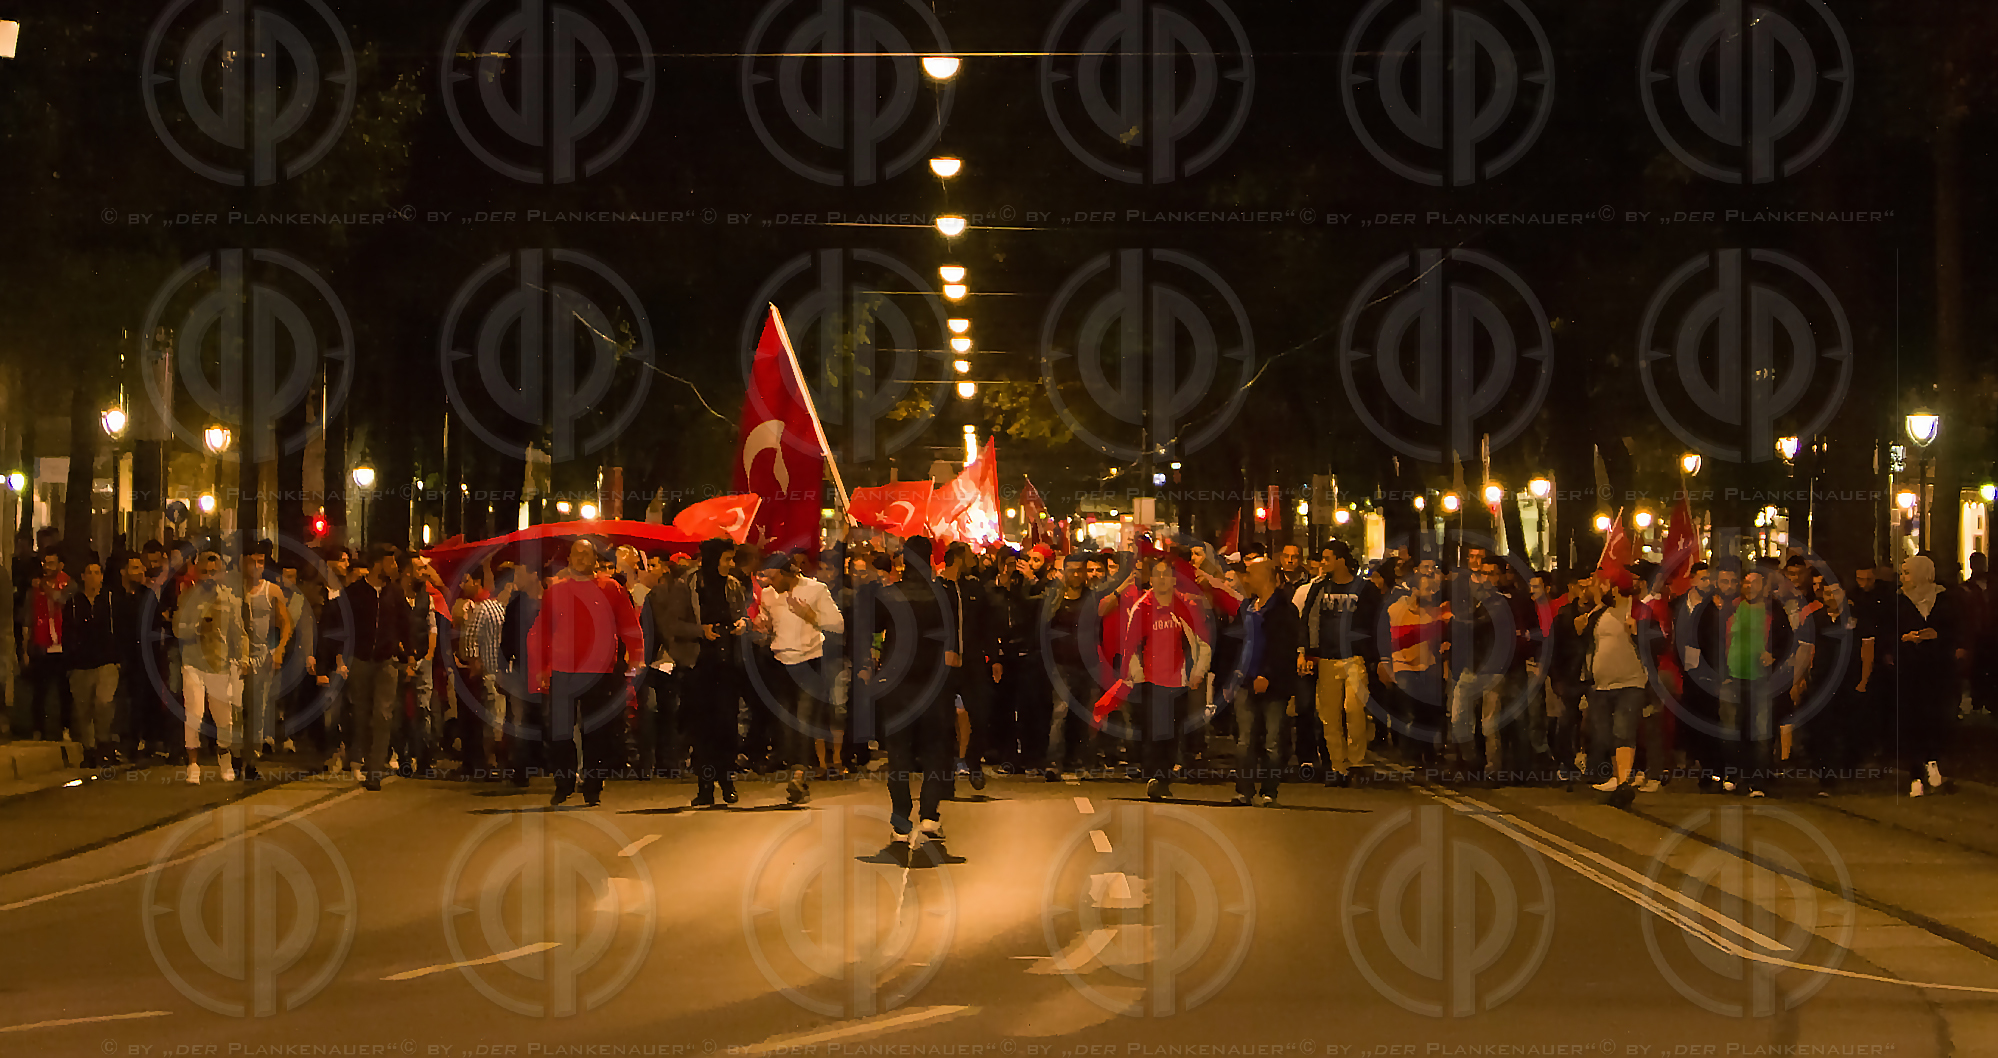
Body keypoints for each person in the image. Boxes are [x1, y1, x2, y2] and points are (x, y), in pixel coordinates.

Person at [528, 538, 643, 807]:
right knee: (560, 730)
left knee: (596, 731)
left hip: (600, 670)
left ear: (594, 559)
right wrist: (542, 667)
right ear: (569, 560)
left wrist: (635, 657)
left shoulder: (611, 588)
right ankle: (564, 782)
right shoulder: (555, 591)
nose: (581, 559)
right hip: (562, 669)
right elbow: (543, 631)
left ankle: (593, 785)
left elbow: (629, 625)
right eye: (576, 554)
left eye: (586, 554)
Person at [868, 536, 957, 844]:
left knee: (898, 754)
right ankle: (930, 816)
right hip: (933, 683)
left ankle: (901, 817)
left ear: (903, 561)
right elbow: (953, 641)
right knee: (935, 751)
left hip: (896, 684)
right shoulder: (944, 595)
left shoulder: (888, 595)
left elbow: (871, 632)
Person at [753, 551, 845, 805]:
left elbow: (837, 624)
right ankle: (797, 769)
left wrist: (810, 616)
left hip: (809, 662)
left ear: (786, 574)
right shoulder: (769, 594)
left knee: (804, 720)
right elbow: (768, 622)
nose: (768, 583)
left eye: (772, 577)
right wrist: (762, 625)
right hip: (780, 662)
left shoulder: (816, 590)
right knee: (785, 722)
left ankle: (799, 775)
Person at [1122, 556, 1213, 801]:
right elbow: (1130, 644)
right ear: (1151, 579)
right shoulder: (1143, 607)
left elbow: (1203, 642)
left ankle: (1163, 779)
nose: (1162, 579)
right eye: (1157, 574)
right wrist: (1136, 675)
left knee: (1172, 732)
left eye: (1166, 574)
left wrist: (1197, 672)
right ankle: (1154, 775)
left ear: (1174, 579)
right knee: (1154, 731)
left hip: (1179, 681)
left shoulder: (1184, 606)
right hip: (1151, 681)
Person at [1296, 540, 1380, 787]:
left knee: (1354, 710)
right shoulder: (1320, 588)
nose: (1323, 563)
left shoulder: (1364, 589)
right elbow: (1307, 619)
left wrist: (1376, 657)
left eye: (1327, 558)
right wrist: (1305, 651)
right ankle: (1337, 766)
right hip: (1327, 658)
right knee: (1329, 716)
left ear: (1341, 560)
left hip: (1355, 657)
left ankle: (1356, 762)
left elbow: (1377, 622)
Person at [672, 537, 748, 807]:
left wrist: (741, 624)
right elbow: (674, 625)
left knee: (727, 725)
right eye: (727, 559)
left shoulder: (733, 585)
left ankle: (726, 781)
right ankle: (704, 785)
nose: (731, 564)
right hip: (699, 666)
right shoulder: (687, 585)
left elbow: (743, 613)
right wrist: (700, 631)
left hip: (727, 665)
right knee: (701, 727)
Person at [1579, 567, 1664, 798]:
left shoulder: (1641, 613)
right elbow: (1587, 645)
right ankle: (1617, 777)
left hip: (1631, 683)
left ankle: (1623, 782)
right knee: (1605, 734)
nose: (1602, 589)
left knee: (1623, 731)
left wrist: (1638, 633)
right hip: (1601, 685)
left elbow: (1661, 644)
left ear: (1616, 589)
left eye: (1606, 585)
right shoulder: (1599, 614)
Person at [1795, 571, 1873, 794]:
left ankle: (1849, 766)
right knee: (1822, 729)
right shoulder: (1815, 619)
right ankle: (1825, 775)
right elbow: (1805, 650)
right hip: (1822, 681)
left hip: (1849, 681)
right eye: (1827, 592)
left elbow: (1867, 649)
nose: (1830, 596)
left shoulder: (1856, 618)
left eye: (1835, 592)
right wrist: (1799, 679)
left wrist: (1864, 679)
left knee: (1849, 727)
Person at [175, 546, 248, 784]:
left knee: (223, 717)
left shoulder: (230, 599)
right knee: (194, 713)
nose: (209, 576)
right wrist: (195, 627)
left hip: (219, 663)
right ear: (197, 573)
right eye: (204, 571)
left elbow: (240, 633)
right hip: (193, 663)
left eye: (213, 571)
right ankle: (193, 765)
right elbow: (177, 629)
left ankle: (224, 758)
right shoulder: (187, 597)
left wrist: (244, 658)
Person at [1720, 564, 1794, 797]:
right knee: (1732, 728)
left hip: (1762, 679)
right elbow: (1720, 639)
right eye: (1746, 582)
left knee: (1761, 731)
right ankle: (1734, 774)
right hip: (1734, 677)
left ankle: (1758, 780)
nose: (1749, 587)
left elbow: (1788, 640)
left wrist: (1773, 655)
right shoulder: (1733, 608)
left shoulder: (1774, 610)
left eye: (1755, 583)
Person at [1231, 558, 1298, 806]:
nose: (1246, 578)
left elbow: (1284, 648)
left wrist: (1267, 674)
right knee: (1245, 740)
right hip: (1245, 681)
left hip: (1273, 684)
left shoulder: (1284, 610)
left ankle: (1269, 790)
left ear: (1265, 577)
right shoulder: (1248, 607)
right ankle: (1244, 790)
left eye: (1250, 573)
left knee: (1272, 741)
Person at [343, 545, 411, 791]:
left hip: (386, 661)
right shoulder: (354, 593)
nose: (394, 567)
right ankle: (358, 757)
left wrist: (411, 654)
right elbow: (340, 624)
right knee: (361, 714)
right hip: (360, 660)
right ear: (377, 564)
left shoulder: (395, 592)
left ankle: (375, 771)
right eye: (390, 562)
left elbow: (406, 623)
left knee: (383, 715)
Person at [1894, 555, 1960, 796]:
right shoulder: (1899, 601)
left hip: (1937, 669)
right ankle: (1915, 774)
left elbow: (1954, 628)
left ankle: (1933, 764)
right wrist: (1904, 639)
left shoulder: (1944, 599)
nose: (1903, 578)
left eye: (1908, 572)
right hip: (1910, 669)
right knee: (1912, 720)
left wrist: (1937, 636)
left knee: (1935, 717)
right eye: (1902, 573)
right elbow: (1888, 630)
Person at [238, 542, 293, 781]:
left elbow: (286, 622)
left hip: (261, 654)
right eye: (253, 561)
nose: (257, 566)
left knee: (257, 707)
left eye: (261, 562)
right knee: (235, 707)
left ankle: (250, 759)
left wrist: (279, 649)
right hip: (236, 655)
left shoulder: (271, 590)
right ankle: (233, 754)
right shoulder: (234, 589)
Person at [61, 559, 122, 768]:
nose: (94, 576)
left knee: (103, 702)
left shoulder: (111, 600)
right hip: (81, 663)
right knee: (83, 709)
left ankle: (104, 741)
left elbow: (120, 628)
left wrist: (118, 658)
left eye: (98, 572)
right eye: (90, 572)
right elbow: (68, 632)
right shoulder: (75, 603)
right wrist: (71, 660)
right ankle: (90, 749)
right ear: (83, 577)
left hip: (106, 661)